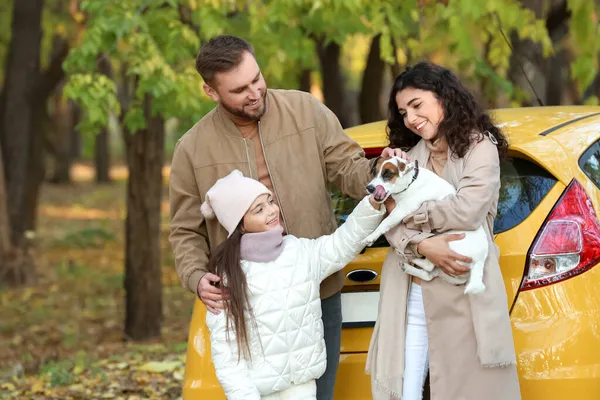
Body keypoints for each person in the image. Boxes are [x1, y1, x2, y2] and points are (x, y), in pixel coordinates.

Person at [169, 35, 374, 399]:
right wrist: (196, 276)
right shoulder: (192, 148)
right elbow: (185, 231)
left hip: (317, 291)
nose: (254, 92)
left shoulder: (306, 110)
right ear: (210, 91)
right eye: (239, 89)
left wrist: (383, 176)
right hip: (245, 305)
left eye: (256, 79)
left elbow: (349, 168)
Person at [365, 62, 521, 400]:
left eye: (417, 105)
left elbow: (469, 210)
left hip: (463, 293)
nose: (410, 118)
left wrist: (412, 217)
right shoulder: (409, 158)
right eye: (403, 112)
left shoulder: (480, 147)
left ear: (444, 97)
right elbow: (390, 227)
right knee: (402, 392)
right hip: (411, 292)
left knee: (467, 390)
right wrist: (424, 247)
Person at [200, 170, 384, 399]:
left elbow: (342, 244)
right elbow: (226, 354)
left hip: (302, 386)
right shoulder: (227, 275)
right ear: (241, 225)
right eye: (259, 210)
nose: (271, 211)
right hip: (257, 391)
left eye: (270, 202)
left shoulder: (299, 252)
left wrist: (373, 204)